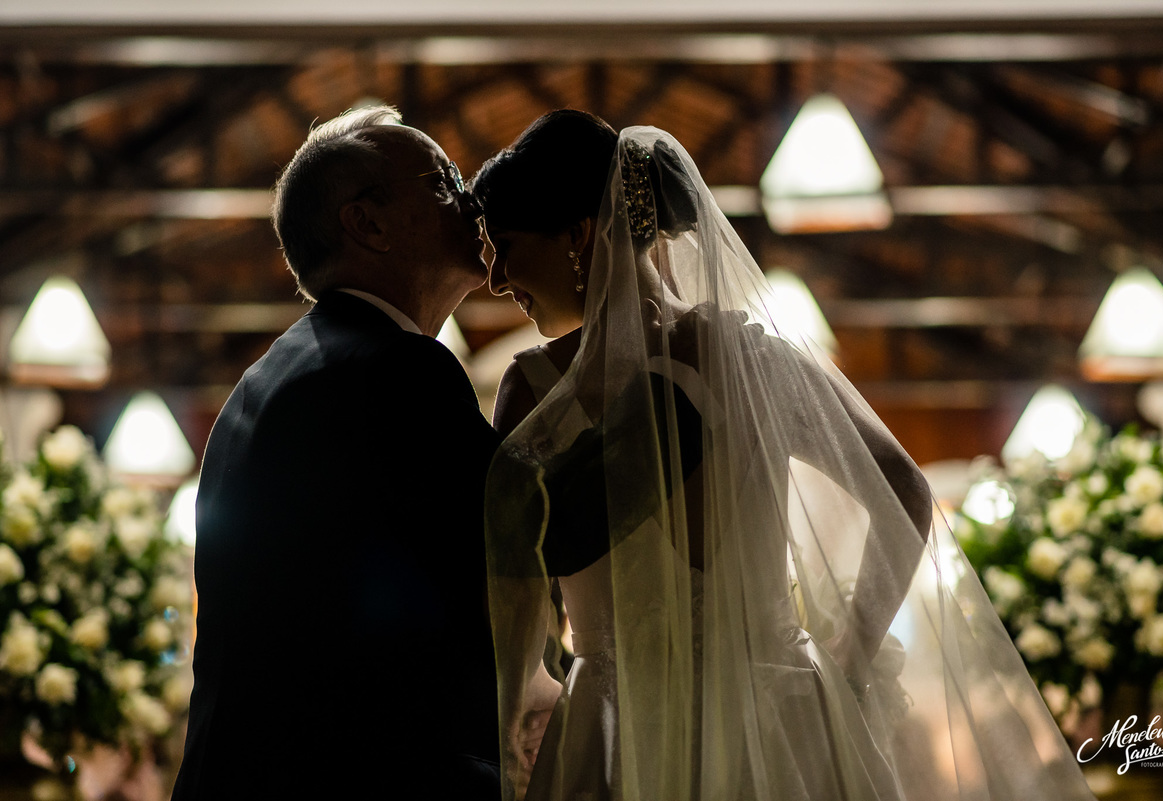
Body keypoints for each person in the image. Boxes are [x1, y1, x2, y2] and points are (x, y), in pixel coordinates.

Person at [473, 110, 1097, 801]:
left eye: (505, 246)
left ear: (578, 235)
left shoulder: (529, 389)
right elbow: (903, 489)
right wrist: (852, 652)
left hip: (618, 725)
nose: (496, 278)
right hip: (781, 709)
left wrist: (525, 701)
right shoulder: (749, 357)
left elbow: (514, 594)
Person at [171, 105, 503, 800]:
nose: (471, 199)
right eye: (441, 180)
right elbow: (518, 545)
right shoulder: (400, 369)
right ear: (367, 223)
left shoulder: (266, 380)